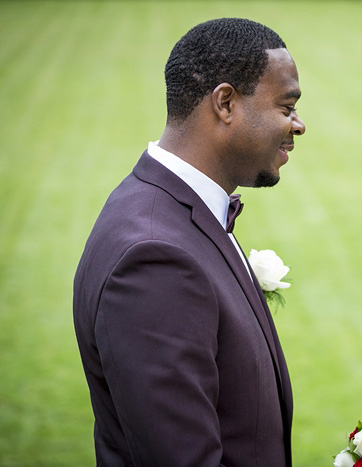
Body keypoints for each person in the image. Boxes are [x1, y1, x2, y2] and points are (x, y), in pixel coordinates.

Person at [73, 18, 305, 466]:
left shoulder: (162, 206)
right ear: (225, 103)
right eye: (286, 107)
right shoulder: (155, 259)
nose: (298, 126)